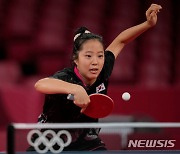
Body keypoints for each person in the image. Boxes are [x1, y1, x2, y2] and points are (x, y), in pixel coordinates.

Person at [30, 4, 162, 151]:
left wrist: (147, 24)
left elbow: (120, 41)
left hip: (87, 142)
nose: (95, 62)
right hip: (50, 142)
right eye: (88, 56)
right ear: (75, 59)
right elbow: (41, 84)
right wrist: (75, 88)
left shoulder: (103, 69)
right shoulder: (66, 76)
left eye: (100, 55)